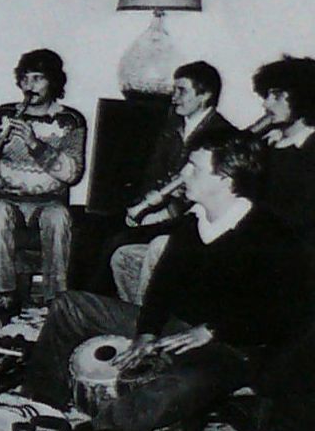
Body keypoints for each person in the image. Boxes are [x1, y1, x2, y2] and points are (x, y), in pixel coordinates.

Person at [24, 133, 309, 431]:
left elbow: (280, 316)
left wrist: (213, 331)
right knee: (70, 305)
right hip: (177, 330)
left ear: (225, 180)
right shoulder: (193, 222)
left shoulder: (270, 235)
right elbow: (162, 287)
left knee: (179, 386)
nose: (183, 173)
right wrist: (147, 332)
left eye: (194, 167)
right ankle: (42, 399)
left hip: (231, 348)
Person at [96, 61, 237, 300]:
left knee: (119, 243)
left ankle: (102, 305)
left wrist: (163, 210)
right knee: (108, 233)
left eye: (182, 91)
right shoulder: (172, 124)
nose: (174, 97)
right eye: (174, 90)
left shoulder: (223, 135)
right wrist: (143, 207)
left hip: (187, 216)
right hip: (160, 207)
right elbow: (152, 172)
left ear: (205, 95)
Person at [0, 49, 86, 323]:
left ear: (53, 81)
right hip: (6, 199)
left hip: (49, 200)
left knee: (58, 217)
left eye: (38, 78)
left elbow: (72, 174)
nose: (29, 86)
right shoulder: (3, 114)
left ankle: (56, 299)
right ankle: (5, 297)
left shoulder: (70, 120)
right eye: (24, 78)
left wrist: (35, 144)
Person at [249, 55, 315, 395]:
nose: (266, 103)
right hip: (266, 246)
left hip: (299, 261)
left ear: (302, 100)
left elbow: (297, 222)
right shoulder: (271, 146)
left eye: (276, 95)